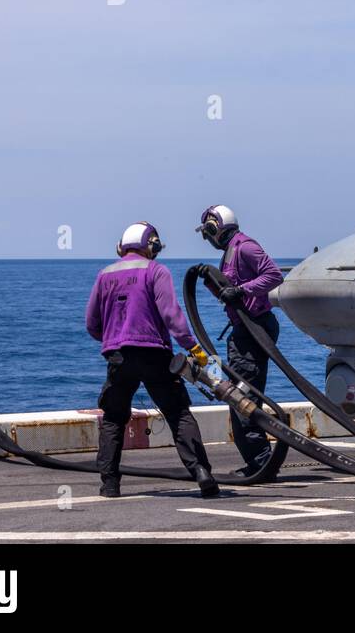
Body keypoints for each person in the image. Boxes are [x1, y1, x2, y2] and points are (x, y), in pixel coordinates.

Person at [85, 222, 218, 499]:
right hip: (155, 354)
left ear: (121, 246)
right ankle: (202, 474)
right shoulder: (156, 271)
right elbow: (171, 315)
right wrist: (193, 347)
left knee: (113, 418)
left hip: (119, 357)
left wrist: (112, 339)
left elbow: (92, 324)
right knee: (178, 413)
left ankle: (110, 485)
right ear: (152, 245)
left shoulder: (104, 275)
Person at [197, 205, 285, 478]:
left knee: (242, 397)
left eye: (208, 233)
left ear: (217, 228)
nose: (208, 239)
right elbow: (229, 294)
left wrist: (241, 290)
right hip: (243, 331)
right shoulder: (230, 253)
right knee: (239, 397)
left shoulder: (245, 247)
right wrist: (214, 283)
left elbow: (274, 276)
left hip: (254, 329)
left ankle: (261, 464)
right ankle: (258, 462)